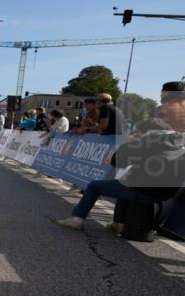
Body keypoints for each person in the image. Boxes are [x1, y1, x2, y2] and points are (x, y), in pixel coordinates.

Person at [56, 82, 184, 232]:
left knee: (95, 186)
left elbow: (117, 161)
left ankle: (76, 219)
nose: (163, 106)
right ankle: (119, 223)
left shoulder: (148, 141)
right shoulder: (178, 140)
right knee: (124, 183)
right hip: (166, 193)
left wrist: (131, 142)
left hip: (145, 190)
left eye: (168, 101)